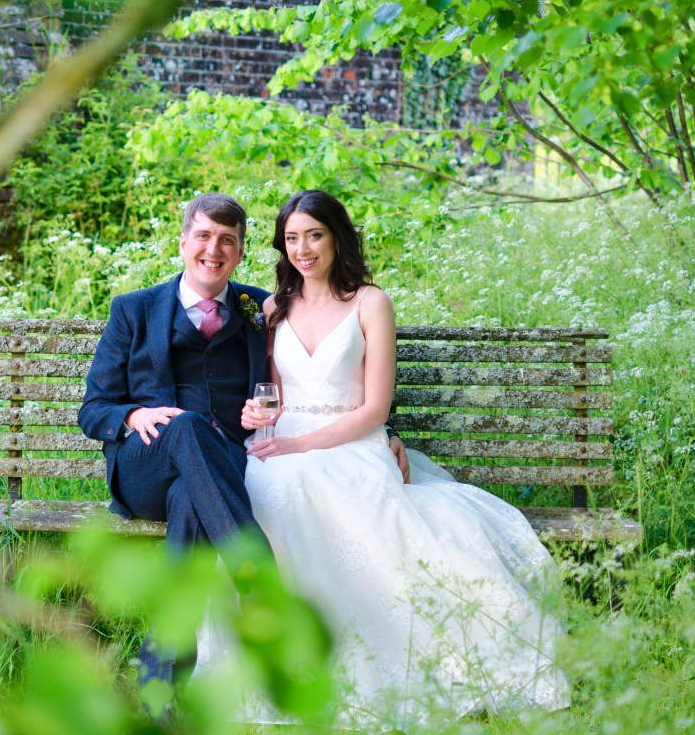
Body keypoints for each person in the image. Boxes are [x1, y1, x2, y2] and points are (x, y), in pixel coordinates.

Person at [195, 190, 570, 726]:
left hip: (351, 441)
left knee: (318, 486)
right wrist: (260, 417)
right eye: (293, 238)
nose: (303, 249)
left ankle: (385, 658)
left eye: (315, 235)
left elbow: (374, 407)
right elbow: (273, 394)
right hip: (282, 442)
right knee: (263, 490)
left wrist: (303, 444)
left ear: (336, 237)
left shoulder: (370, 302)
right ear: (282, 245)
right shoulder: (274, 307)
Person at [77, 192, 408, 697]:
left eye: (227, 241)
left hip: (218, 470)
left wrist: (385, 432)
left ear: (240, 250)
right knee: (187, 426)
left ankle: (163, 666)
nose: (214, 249)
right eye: (204, 237)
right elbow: (92, 410)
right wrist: (132, 413)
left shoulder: (259, 309)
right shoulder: (134, 310)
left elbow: (320, 384)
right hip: (145, 465)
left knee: (193, 496)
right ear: (184, 242)